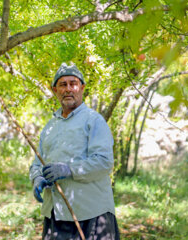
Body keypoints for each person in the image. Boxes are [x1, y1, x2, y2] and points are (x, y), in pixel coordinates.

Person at [29, 63, 120, 240]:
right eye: (63, 85)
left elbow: (104, 162)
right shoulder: (50, 126)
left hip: (91, 214)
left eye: (73, 83)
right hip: (56, 214)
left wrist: (68, 169)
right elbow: (37, 162)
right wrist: (37, 177)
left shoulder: (94, 120)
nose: (68, 89)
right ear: (55, 90)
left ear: (82, 88)